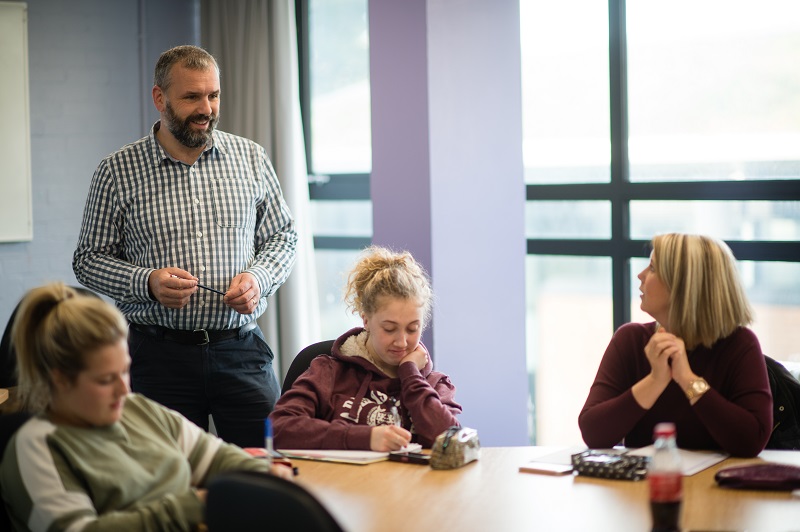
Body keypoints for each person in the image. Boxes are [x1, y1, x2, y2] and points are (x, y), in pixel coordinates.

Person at [72, 45, 297, 448]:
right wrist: (147, 281)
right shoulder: (116, 171)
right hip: (158, 359)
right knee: (165, 482)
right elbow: (88, 259)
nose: (206, 108)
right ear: (160, 98)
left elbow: (284, 236)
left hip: (241, 352)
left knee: (265, 472)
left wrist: (258, 279)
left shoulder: (250, 158)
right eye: (192, 96)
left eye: (213, 95)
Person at [0, 283, 293, 532]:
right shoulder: (37, 447)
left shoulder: (137, 410)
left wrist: (261, 474)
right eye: (105, 380)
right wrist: (198, 505)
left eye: (125, 372)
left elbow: (217, 459)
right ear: (59, 379)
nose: (123, 390)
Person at [578, 233, 772, 457]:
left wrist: (687, 379)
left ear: (683, 286)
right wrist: (655, 381)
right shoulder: (630, 340)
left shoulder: (740, 345)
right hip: (644, 487)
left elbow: (751, 441)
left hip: (717, 488)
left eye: (652, 268)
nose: (640, 275)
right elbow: (593, 433)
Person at [271, 246, 461, 451]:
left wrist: (411, 375)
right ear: (366, 320)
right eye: (389, 329)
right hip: (342, 482)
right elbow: (279, 428)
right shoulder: (329, 373)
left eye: (412, 329)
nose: (402, 342)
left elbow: (451, 443)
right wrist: (364, 438)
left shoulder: (434, 385)